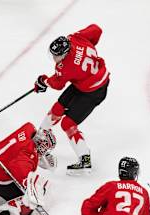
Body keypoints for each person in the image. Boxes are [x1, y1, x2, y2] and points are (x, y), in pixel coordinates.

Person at [34, 24, 110, 175]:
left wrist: (43, 81)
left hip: (94, 91)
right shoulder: (75, 38)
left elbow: (57, 84)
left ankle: (85, 160)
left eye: (57, 56)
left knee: (68, 123)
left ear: (65, 53)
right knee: (57, 108)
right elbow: (97, 29)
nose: (54, 58)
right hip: (83, 82)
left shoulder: (66, 67)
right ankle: (40, 138)